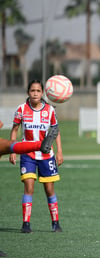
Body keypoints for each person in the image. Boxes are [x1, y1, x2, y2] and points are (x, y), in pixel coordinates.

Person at [9, 80, 63, 233]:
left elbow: (55, 131)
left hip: (46, 155)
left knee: (49, 189)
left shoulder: (50, 110)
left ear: (42, 93)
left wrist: (59, 151)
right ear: (28, 92)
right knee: (29, 187)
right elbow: (15, 130)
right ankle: (26, 224)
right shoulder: (21, 109)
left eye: (38, 91)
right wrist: (12, 149)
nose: (35, 93)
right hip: (27, 154)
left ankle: (55, 222)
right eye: (32, 90)